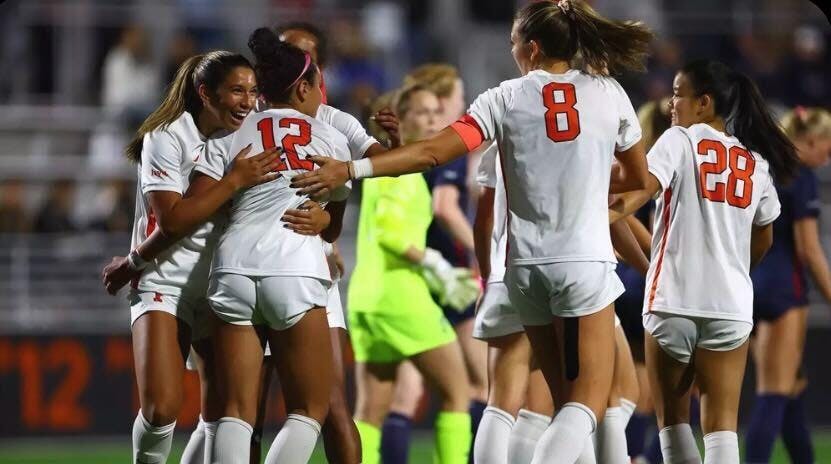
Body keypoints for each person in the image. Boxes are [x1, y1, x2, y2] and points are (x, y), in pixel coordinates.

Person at [290, 1, 653, 462]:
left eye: (513, 42)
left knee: (556, 400)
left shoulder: (503, 97)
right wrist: (603, 213)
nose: (512, 50)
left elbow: (431, 154)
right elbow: (639, 182)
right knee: (588, 404)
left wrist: (353, 167)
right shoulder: (608, 93)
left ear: (532, 48)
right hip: (583, 264)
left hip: (522, 271)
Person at [609, 59, 800, 463]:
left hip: (672, 299)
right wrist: (734, 269)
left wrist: (603, 211)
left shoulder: (680, 139)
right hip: (730, 305)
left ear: (704, 102)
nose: (670, 103)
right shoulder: (755, 162)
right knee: (722, 429)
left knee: (674, 424)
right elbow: (764, 234)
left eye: (679, 94)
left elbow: (642, 189)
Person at [101, 51, 281, 464]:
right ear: (205, 93)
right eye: (237, 90)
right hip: (165, 280)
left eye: (253, 91)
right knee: (162, 408)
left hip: (222, 284)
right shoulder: (166, 136)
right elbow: (174, 219)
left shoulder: (248, 134)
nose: (248, 101)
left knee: (227, 414)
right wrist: (234, 179)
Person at [245, 22, 399, 464]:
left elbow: (382, 169)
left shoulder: (336, 124)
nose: (287, 59)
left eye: (299, 54)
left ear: (317, 70)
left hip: (309, 270)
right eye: (282, 52)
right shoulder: (250, 115)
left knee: (330, 405)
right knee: (250, 407)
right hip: (273, 265)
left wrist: (396, 144)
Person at [202, 30, 356, 464]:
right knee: (310, 410)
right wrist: (325, 217)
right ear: (304, 87)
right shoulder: (331, 140)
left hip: (232, 267)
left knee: (236, 411)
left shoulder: (228, 136)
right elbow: (330, 227)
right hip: (295, 269)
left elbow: (203, 203)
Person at [472, 143, 649, 464]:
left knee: (509, 404)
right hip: (576, 271)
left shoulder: (504, 133)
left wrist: (487, 278)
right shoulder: (582, 131)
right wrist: (652, 270)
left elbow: (483, 219)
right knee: (602, 399)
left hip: (509, 271)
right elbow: (612, 208)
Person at [345, 85, 478, 464]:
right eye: (422, 112)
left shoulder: (392, 163)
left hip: (366, 300)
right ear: (401, 117)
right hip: (401, 298)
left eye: (438, 111)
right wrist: (434, 264)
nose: (434, 119)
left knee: (372, 409)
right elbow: (389, 230)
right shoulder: (401, 167)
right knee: (458, 393)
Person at [381, 63, 488, 464]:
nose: (462, 102)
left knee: (406, 394)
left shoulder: (407, 149)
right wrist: (481, 252)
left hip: (412, 276)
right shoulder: (449, 146)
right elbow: (445, 207)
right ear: (444, 100)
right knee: (480, 386)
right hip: (450, 274)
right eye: (458, 95)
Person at [745, 107, 831, 464]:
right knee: (774, 391)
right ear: (811, 140)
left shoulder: (760, 165)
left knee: (793, 386)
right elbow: (809, 250)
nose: (827, 155)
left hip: (749, 284)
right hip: (784, 290)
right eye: (827, 146)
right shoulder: (801, 174)